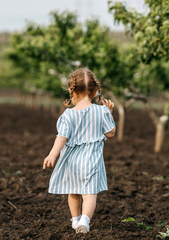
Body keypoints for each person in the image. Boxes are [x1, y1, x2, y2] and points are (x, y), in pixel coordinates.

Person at [43, 68, 116, 234]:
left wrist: (52, 154)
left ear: (71, 91)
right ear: (96, 91)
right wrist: (109, 113)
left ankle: (75, 220)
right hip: (91, 160)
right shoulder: (101, 111)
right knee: (89, 194)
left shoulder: (68, 115)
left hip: (72, 162)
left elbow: (61, 137)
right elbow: (110, 133)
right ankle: (85, 220)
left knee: (73, 192)